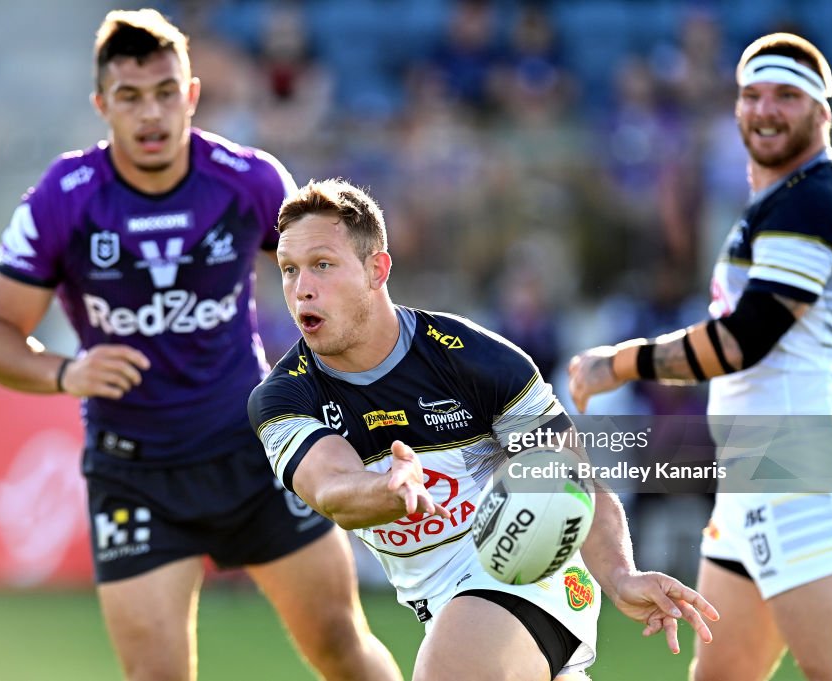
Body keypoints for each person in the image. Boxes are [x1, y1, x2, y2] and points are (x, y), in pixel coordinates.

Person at [0, 10, 401, 681]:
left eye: (167, 92)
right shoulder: (63, 199)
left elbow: (328, 275)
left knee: (341, 644)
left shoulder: (248, 179)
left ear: (192, 96)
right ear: (102, 105)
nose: (152, 114)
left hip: (253, 451)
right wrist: (65, 370)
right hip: (135, 475)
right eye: (131, 97)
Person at [247, 178, 719, 681]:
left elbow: (572, 480)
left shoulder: (476, 360)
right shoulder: (280, 396)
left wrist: (621, 575)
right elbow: (331, 489)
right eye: (289, 270)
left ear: (376, 270)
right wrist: (386, 489)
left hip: (530, 574)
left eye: (323, 265)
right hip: (442, 608)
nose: (302, 289)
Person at [568, 33, 832, 681]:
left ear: (824, 112)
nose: (766, 109)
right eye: (752, 95)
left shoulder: (813, 199)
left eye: (787, 96)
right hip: (759, 469)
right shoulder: (783, 197)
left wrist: (619, 363)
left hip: (795, 468)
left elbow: (743, 340)